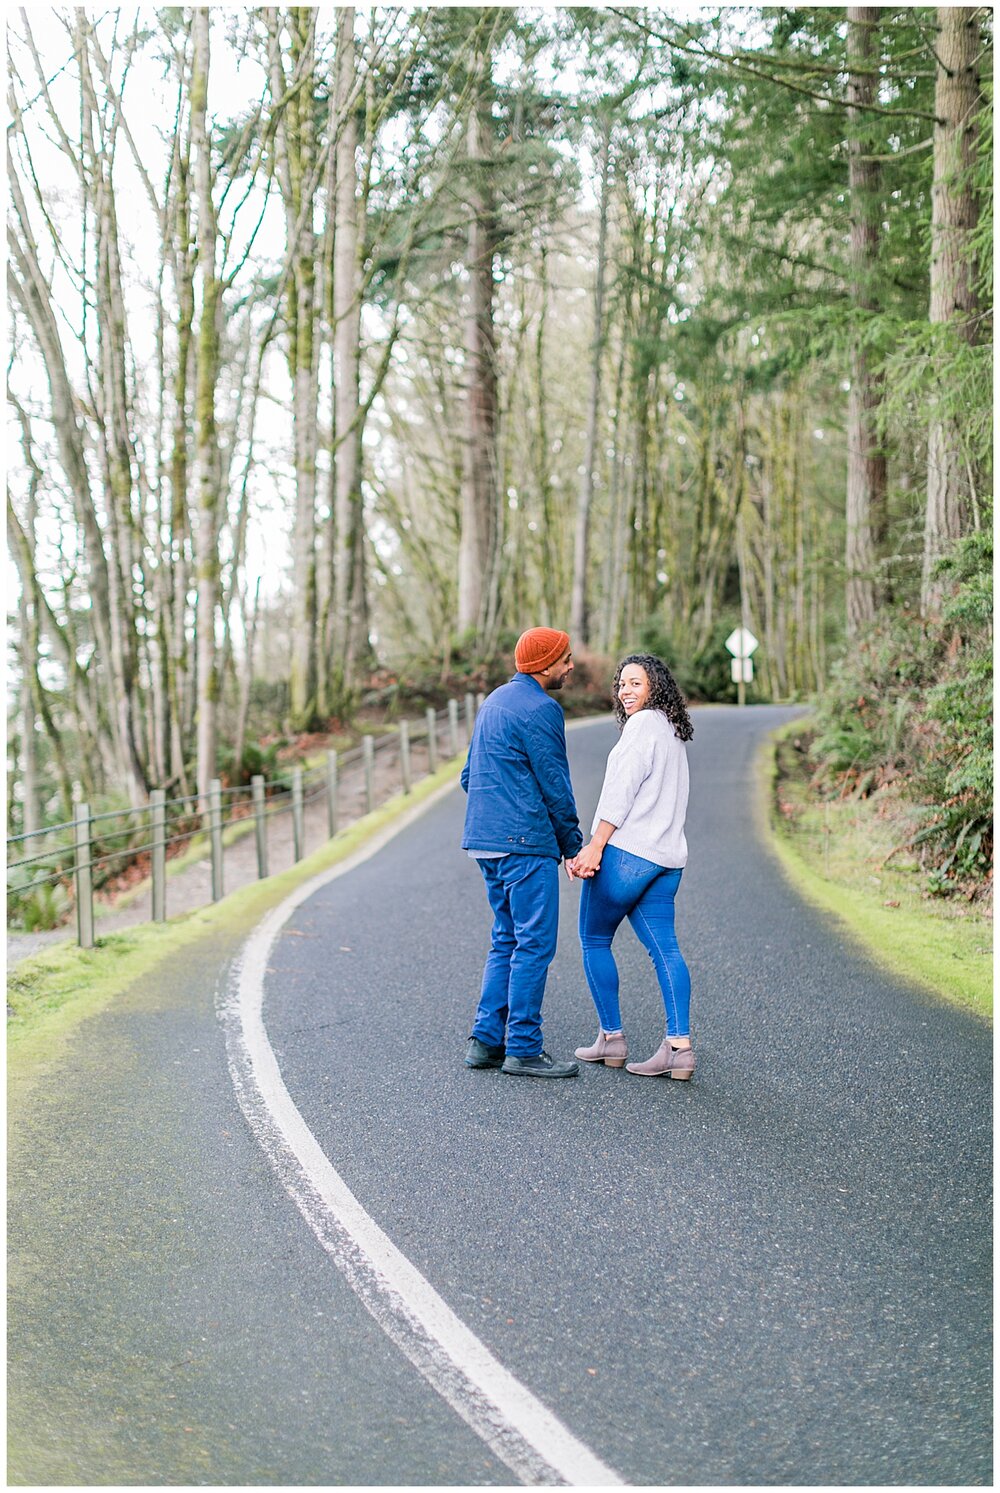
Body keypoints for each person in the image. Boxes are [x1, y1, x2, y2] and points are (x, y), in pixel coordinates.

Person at [461, 627, 583, 1079]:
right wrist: (573, 845)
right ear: (545, 664)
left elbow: (469, 776)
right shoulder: (541, 708)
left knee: (506, 938)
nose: (570, 666)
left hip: (485, 843)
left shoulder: (493, 702)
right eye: (565, 659)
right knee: (534, 942)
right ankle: (524, 1047)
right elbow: (556, 784)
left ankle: (485, 1042)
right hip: (524, 845)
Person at [568, 653, 696, 1079]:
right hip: (666, 860)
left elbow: (619, 793)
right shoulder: (673, 729)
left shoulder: (642, 727)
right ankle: (679, 1048)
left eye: (635, 683)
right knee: (666, 951)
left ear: (655, 686)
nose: (625, 690)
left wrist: (594, 847)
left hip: (628, 857)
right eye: (621, 683)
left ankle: (612, 1039)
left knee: (594, 939)